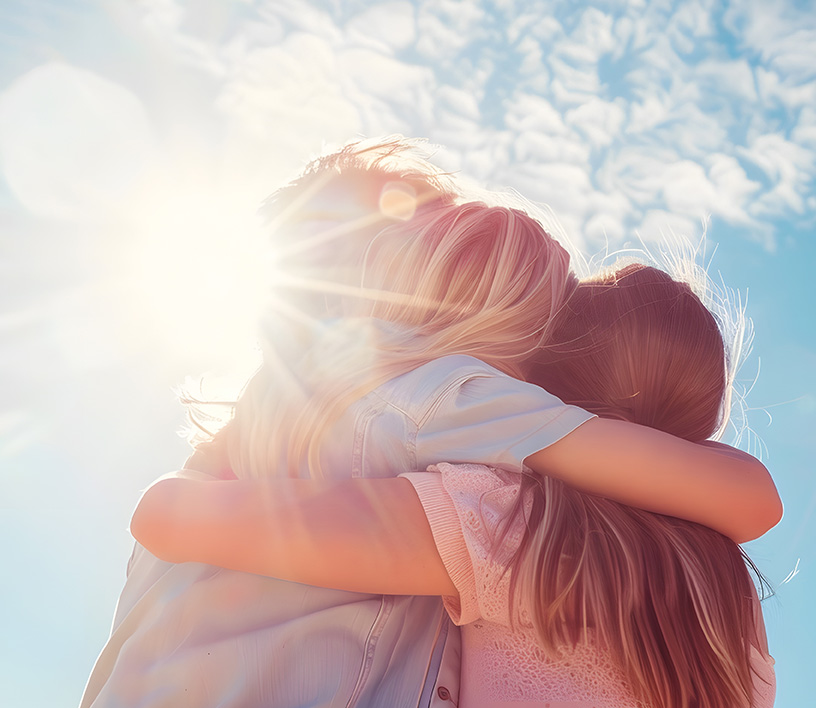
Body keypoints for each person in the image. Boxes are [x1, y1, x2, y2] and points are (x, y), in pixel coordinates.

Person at [81, 137, 780, 708]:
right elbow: (747, 497)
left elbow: (163, 524)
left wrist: (188, 482)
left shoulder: (434, 429)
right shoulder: (727, 606)